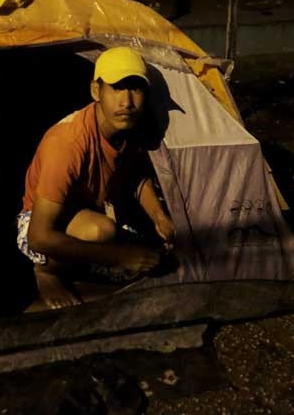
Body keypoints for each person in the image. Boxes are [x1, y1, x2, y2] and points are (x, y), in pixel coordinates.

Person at [16, 46, 176, 309]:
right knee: (102, 232)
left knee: (149, 261)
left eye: (135, 89)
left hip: (94, 210)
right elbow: (39, 236)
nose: (127, 102)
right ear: (96, 91)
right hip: (40, 225)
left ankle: (89, 264)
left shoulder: (130, 127)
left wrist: (159, 216)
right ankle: (47, 272)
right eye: (117, 88)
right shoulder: (68, 142)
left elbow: (136, 177)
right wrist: (119, 255)